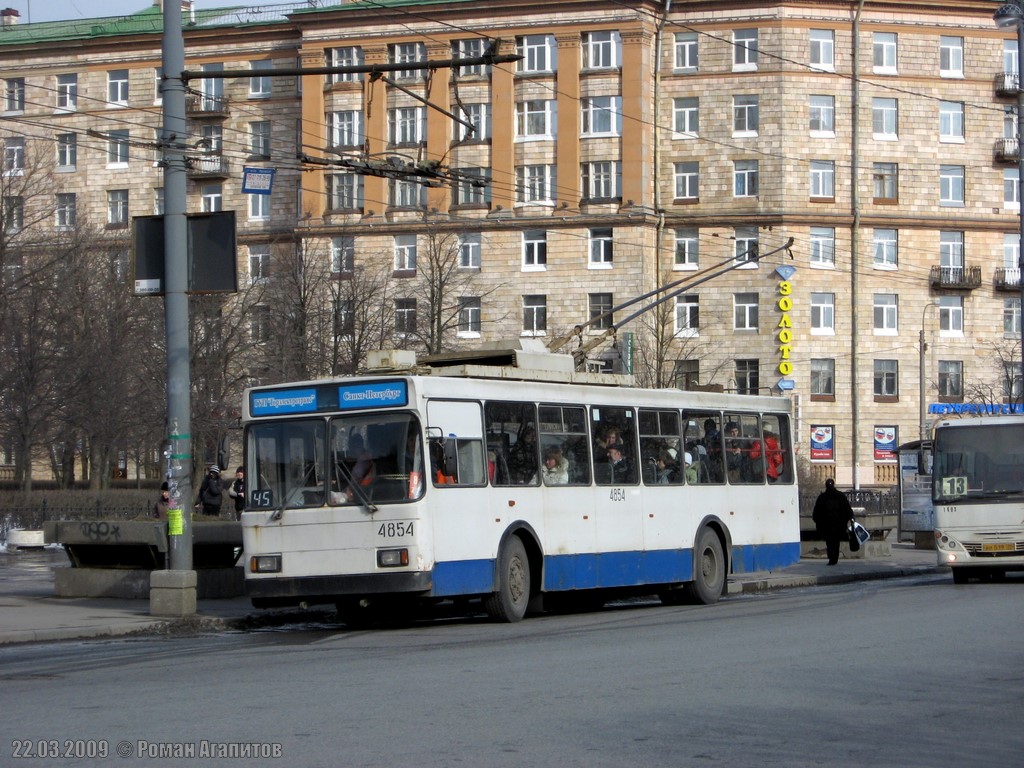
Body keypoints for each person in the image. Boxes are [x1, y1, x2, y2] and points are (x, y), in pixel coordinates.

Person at [812, 478, 856, 565]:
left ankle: (832, 558)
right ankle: (834, 558)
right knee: (836, 542)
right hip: (839, 524)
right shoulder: (840, 496)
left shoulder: (822, 497)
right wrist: (851, 517)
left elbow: (817, 511)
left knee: (829, 542)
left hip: (827, 525)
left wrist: (817, 521)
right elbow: (847, 508)